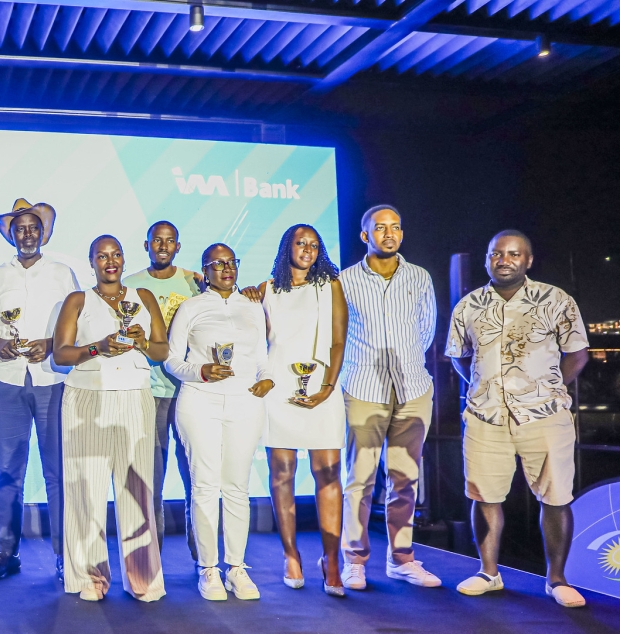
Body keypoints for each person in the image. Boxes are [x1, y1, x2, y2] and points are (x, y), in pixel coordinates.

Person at [446, 230, 589, 608]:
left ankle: (556, 580)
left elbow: (577, 354)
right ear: (487, 259)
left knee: (556, 496)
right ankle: (488, 573)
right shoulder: (469, 305)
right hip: (485, 416)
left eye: (513, 254)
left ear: (528, 260)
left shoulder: (556, 299)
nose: (504, 260)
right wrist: (483, 387)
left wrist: (546, 389)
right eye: (496, 254)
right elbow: (459, 356)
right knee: (484, 495)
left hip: (545, 415)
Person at [52, 235, 168, 601]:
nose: (110, 261)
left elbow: (161, 351)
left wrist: (142, 342)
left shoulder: (143, 297)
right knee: (86, 491)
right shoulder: (78, 300)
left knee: (137, 490)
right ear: (92, 263)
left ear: (123, 259)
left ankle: (143, 579)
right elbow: (60, 355)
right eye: (102, 256)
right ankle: (91, 577)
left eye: (116, 254)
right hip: (87, 398)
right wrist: (97, 347)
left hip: (135, 396)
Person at [0, 198, 80, 582]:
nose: (28, 234)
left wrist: (51, 344)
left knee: (57, 472)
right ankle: (7, 553)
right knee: (8, 472)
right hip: (6, 381)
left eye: (34, 228)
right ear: (12, 235)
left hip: (53, 381)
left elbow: (78, 324)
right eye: (20, 229)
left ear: (43, 232)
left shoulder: (63, 274)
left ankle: (65, 555)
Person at [339, 206, 441, 591]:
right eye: (380, 228)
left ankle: (401, 559)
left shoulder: (419, 277)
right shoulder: (345, 280)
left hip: (412, 388)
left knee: (405, 479)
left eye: (395, 227)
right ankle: (354, 560)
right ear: (365, 236)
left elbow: (425, 330)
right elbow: (338, 333)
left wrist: (407, 364)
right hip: (363, 387)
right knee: (359, 480)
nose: (389, 234)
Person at [165, 243, 272, 601]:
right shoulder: (191, 307)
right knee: (205, 486)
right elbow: (171, 361)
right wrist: (201, 371)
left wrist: (268, 378)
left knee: (237, 487)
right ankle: (208, 569)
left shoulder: (252, 307)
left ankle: (237, 568)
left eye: (232, 263)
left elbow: (262, 357)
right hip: (200, 400)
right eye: (218, 264)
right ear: (205, 270)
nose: (227, 269)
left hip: (246, 401)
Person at [251, 224, 348, 596]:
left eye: (313, 244)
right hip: (279, 390)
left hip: (323, 388)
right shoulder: (267, 289)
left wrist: (327, 388)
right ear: (286, 247)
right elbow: (253, 338)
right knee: (282, 474)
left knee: (328, 472)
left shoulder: (330, 285)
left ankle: (332, 559)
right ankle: (291, 555)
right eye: (300, 243)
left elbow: (338, 341)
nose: (307, 249)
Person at [122, 221, 202, 558]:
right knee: (151, 477)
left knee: (196, 476)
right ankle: (151, 556)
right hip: (147, 390)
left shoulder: (195, 283)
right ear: (147, 245)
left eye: (170, 241)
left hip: (188, 391)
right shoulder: (129, 286)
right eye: (157, 240)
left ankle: (203, 554)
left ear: (178, 246)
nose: (163, 246)